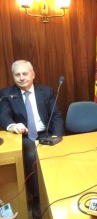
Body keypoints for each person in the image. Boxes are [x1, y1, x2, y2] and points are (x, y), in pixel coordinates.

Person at [0, 60, 64, 219]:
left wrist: (58, 136)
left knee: (60, 153)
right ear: (13, 76)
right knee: (31, 156)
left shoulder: (46, 91)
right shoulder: (6, 93)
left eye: (25, 73)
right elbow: (3, 115)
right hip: (25, 136)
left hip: (46, 134)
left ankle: (58, 191)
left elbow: (56, 115)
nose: (21, 78)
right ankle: (37, 198)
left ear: (33, 74)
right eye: (17, 75)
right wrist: (12, 125)